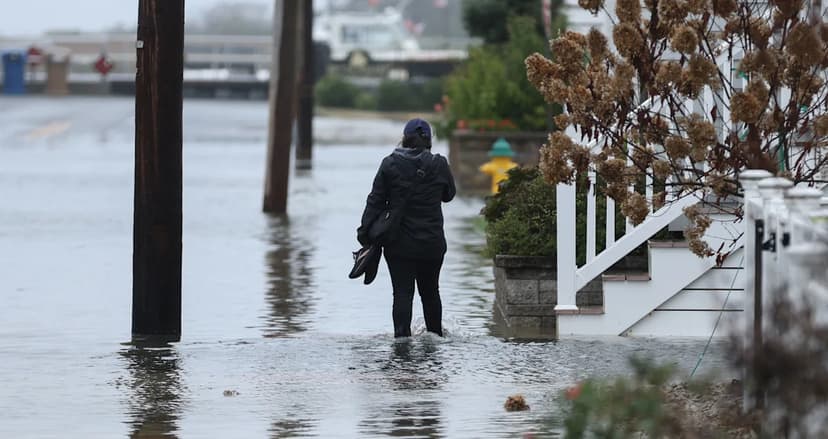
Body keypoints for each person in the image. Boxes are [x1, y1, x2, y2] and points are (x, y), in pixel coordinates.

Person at [357, 118, 456, 337]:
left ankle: (401, 345)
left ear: (404, 138)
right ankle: (435, 339)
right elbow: (449, 195)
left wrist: (364, 234)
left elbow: (375, 201)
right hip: (432, 243)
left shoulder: (390, 163)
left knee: (402, 294)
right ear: (429, 140)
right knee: (431, 293)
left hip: (399, 244)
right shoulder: (439, 164)